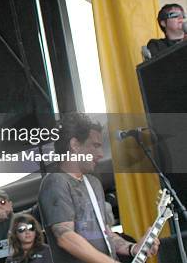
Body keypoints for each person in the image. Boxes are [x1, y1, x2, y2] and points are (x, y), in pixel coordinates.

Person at [38, 113, 160, 263]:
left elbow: (105, 233)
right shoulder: (55, 182)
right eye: (95, 146)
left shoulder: (93, 183)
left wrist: (132, 248)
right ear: (75, 145)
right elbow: (65, 237)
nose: (101, 154)